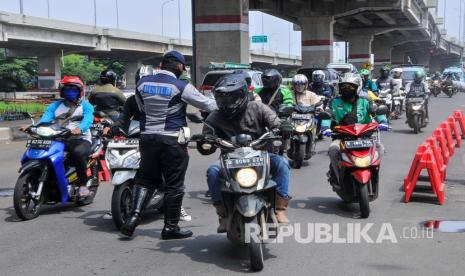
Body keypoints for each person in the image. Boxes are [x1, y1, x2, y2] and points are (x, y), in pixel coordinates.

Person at [120, 51, 217, 239]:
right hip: (172, 140)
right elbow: (208, 105)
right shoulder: (181, 86)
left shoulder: (142, 84)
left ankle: (132, 218)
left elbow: (140, 107)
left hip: (147, 138)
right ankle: (170, 227)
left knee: (144, 179)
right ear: (180, 67)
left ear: (162, 64)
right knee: (174, 184)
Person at [198, 74, 292, 232]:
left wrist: (284, 127)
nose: (226, 103)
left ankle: (280, 209)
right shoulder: (215, 116)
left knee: (283, 163)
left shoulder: (258, 107)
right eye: (222, 99)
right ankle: (222, 214)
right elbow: (207, 139)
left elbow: (275, 122)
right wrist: (204, 142)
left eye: (230, 98)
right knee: (212, 172)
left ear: (242, 95)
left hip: (261, 155)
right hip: (230, 159)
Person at [29, 76, 94, 198]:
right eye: (67, 89)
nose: (70, 92)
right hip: (59, 138)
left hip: (80, 139)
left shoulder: (85, 106)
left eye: (74, 90)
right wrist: (33, 127)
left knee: (78, 153)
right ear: (62, 91)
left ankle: (82, 185)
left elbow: (88, 120)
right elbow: (45, 120)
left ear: (79, 92)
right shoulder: (54, 106)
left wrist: (80, 129)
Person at [320, 75, 389, 185]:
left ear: (357, 88)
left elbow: (375, 112)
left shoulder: (365, 100)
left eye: (350, 87)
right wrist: (325, 128)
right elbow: (328, 115)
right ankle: (337, 177)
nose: (347, 89)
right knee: (333, 149)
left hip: (364, 135)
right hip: (342, 136)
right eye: (344, 86)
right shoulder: (334, 102)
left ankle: (374, 173)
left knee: (380, 148)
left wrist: (383, 122)